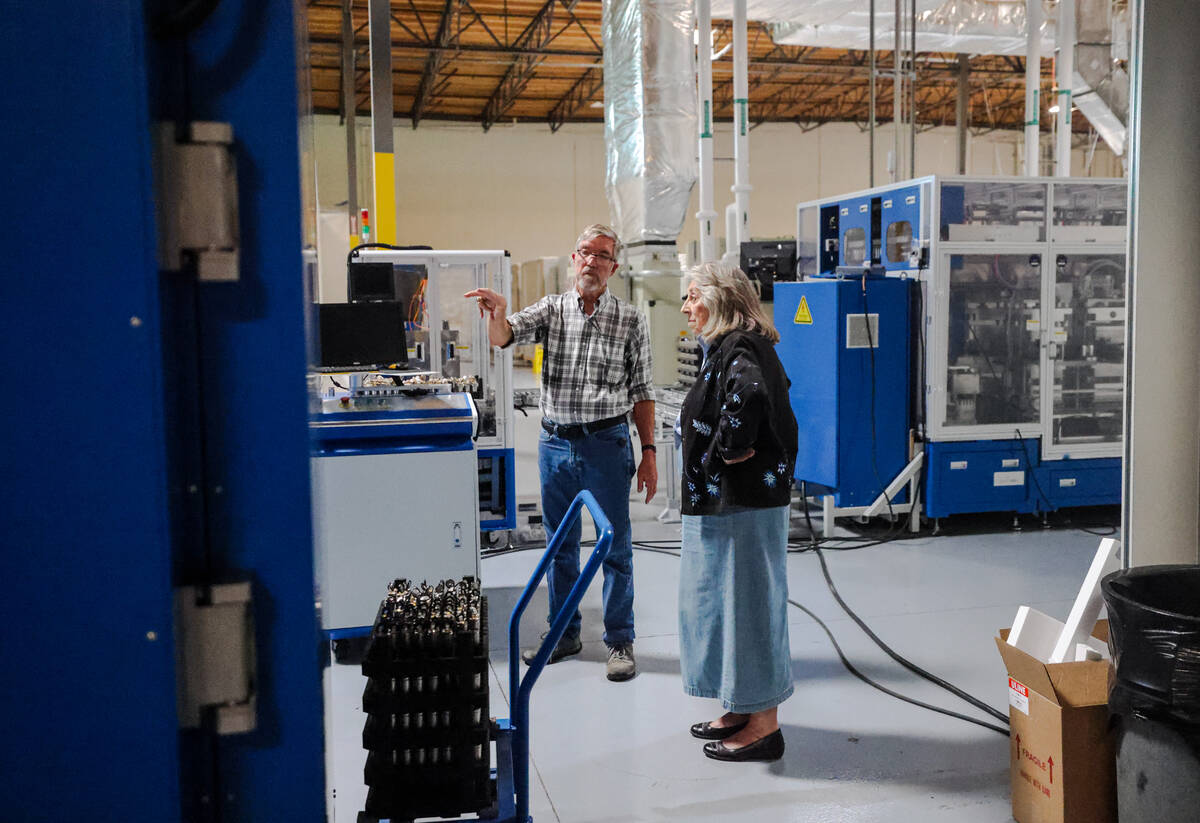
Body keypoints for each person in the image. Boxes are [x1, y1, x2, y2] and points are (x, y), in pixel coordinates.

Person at [464, 224, 657, 682]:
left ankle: (619, 640)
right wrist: (498, 313)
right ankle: (565, 633)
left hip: (607, 444)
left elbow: (643, 391)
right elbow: (504, 336)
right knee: (559, 546)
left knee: (615, 545)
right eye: (585, 253)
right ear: (574, 259)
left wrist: (648, 450)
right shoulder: (552, 310)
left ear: (614, 267)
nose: (592, 261)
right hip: (555, 444)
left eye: (602, 255)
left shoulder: (630, 320)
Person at [676, 262, 798, 762]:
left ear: (720, 299)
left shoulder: (740, 346)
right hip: (730, 503)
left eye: (691, 297)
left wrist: (730, 447)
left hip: (744, 503)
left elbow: (747, 395)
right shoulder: (732, 345)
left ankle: (764, 726)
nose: (685, 308)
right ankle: (740, 704)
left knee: (748, 608)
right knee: (726, 605)